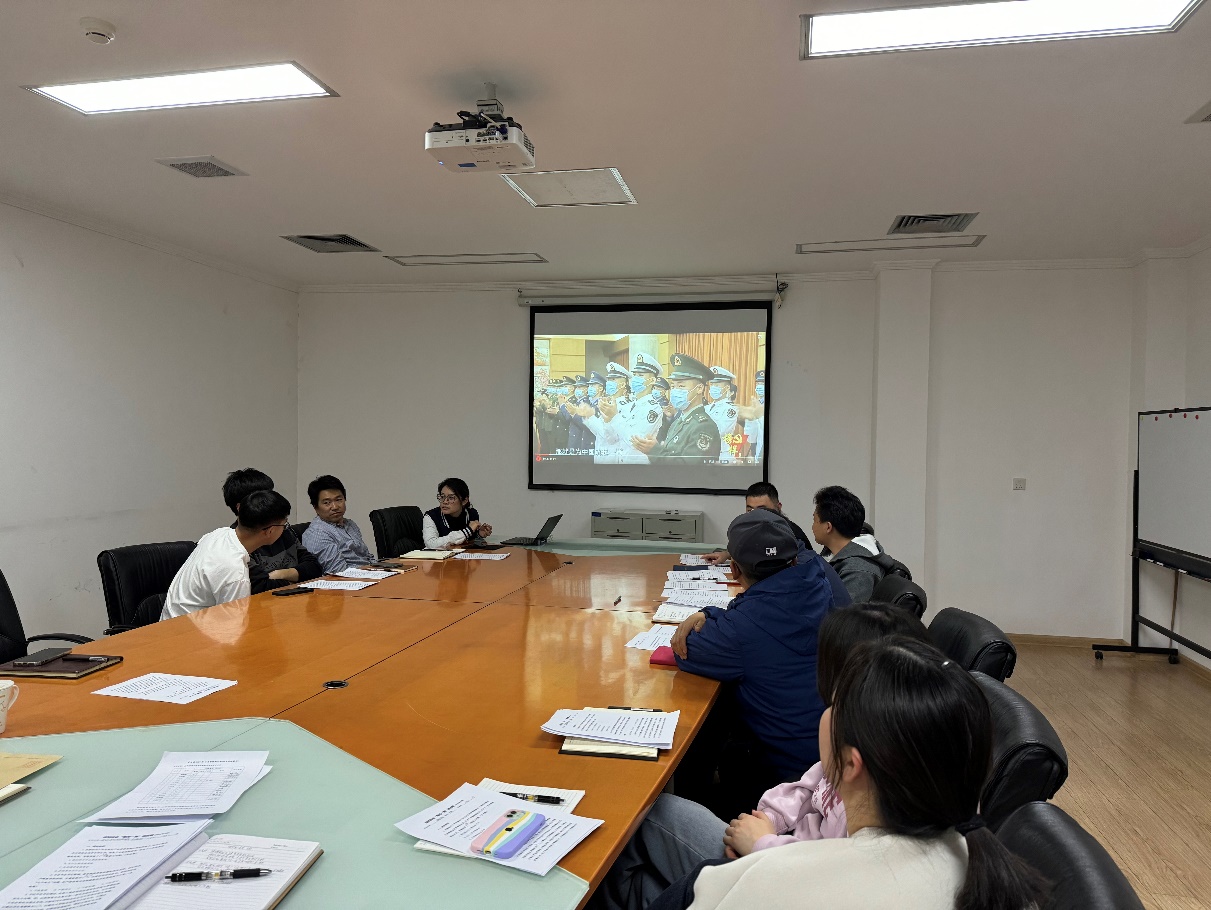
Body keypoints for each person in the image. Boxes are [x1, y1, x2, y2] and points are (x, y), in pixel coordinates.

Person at [642, 637, 1047, 910]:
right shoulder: (975, 858)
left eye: (833, 705)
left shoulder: (781, 883)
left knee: (653, 826)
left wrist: (763, 851)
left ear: (852, 765)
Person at [589, 603, 931, 910]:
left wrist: (762, 844)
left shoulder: (868, 811)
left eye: (835, 702)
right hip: (774, 848)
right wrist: (768, 820)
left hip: (774, 870)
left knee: (645, 816)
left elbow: (821, 882)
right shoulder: (876, 752)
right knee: (649, 868)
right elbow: (806, 787)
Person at [669, 509, 845, 820]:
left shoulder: (741, 629)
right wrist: (713, 615)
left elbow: (688, 649)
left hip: (785, 782)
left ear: (734, 570)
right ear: (794, 557)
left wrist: (708, 614)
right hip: (835, 753)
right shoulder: (818, 575)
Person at [161, 490, 292, 620]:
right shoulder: (236, 574)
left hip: (170, 621)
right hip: (186, 630)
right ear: (270, 531)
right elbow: (232, 628)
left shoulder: (218, 534)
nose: (284, 528)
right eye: (284, 524)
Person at [221, 468, 322, 594]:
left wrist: (281, 574)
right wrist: (295, 581)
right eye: (263, 498)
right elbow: (259, 587)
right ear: (241, 507)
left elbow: (314, 567)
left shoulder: (282, 529)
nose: (273, 500)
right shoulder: (238, 543)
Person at [812, 486, 903, 602]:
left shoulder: (858, 570)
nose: (813, 527)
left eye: (815, 521)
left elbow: (846, 612)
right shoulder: (834, 554)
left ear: (828, 527)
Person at [631, 354, 721, 464]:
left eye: (681, 386)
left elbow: (688, 467)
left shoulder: (704, 427)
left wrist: (654, 450)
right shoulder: (677, 422)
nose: (675, 391)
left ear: (699, 388)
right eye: (673, 386)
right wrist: (655, 447)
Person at [704, 482, 813, 559]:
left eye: (762, 510)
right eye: (750, 510)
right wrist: (727, 555)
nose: (755, 515)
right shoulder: (749, 528)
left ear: (778, 507)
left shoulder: (792, 535)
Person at [301, 475, 375, 572]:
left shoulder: (350, 524)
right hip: (350, 578)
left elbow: (367, 557)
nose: (335, 507)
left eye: (338, 500)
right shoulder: (317, 534)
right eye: (327, 502)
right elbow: (338, 572)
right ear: (316, 507)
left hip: (369, 573)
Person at [422, 477, 493, 549]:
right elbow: (431, 544)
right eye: (442, 497)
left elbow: (468, 542)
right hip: (438, 556)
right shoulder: (431, 516)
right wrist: (467, 531)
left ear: (464, 501)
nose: (445, 501)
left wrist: (479, 534)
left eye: (451, 498)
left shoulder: (471, 514)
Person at [706, 367, 741, 462]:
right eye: (712, 384)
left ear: (727, 388)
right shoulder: (707, 407)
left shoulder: (730, 409)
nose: (713, 387)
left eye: (717, 385)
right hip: (707, 453)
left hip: (723, 455)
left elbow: (721, 430)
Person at [734, 369, 766, 462]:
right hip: (758, 454)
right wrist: (751, 419)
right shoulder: (755, 405)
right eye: (758, 383)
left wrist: (759, 415)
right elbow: (752, 438)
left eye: (763, 384)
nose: (760, 386)